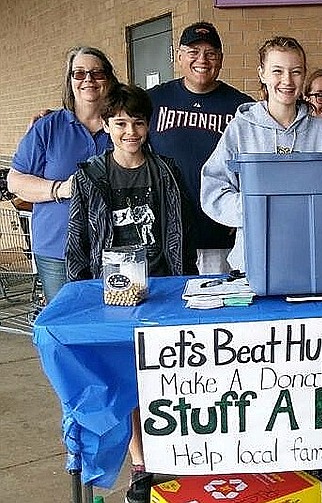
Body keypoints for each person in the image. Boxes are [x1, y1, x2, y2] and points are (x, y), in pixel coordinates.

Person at [66, 83, 197, 503]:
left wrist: (181, 284)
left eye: (138, 122)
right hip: (112, 296)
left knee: (167, 377)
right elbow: (78, 240)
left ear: (149, 125)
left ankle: (178, 454)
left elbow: (181, 232)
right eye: (120, 123)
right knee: (129, 381)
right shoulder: (89, 176)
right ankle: (141, 464)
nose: (130, 131)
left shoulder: (167, 170)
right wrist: (82, 294)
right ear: (106, 125)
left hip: (161, 288)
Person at [201, 36, 322, 274]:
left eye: (295, 72)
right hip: (253, 262)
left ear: (304, 75)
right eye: (277, 71)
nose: (287, 80)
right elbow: (213, 189)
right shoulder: (240, 128)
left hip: (312, 260)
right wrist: (254, 210)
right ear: (262, 74)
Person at [7, 46, 119, 303]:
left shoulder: (122, 127)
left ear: (109, 79)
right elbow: (15, 180)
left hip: (114, 248)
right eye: (78, 74)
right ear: (70, 81)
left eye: (96, 73)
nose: (88, 80)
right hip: (58, 249)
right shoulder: (47, 127)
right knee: (65, 324)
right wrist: (60, 189)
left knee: (111, 324)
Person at [148, 21, 254, 275]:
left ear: (221, 58)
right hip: (165, 235)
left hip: (220, 235)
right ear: (179, 55)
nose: (202, 60)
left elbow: (257, 164)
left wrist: (242, 212)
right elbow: (113, 121)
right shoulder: (153, 100)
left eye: (211, 53)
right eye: (193, 52)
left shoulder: (242, 108)